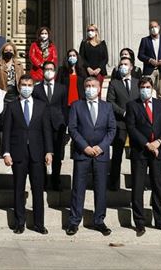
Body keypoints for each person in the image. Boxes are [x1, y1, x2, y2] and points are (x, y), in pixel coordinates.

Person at [2, 75, 53, 234]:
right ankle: (19, 222)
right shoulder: (12, 106)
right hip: (18, 153)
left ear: (33, 87)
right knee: (18, 189)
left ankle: (39, 223)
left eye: (29, 84)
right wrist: (6, 152)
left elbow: (46, 130)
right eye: (23, 84)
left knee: (38, 190)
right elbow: (7, 131)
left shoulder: (41, 106)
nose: (26, 87)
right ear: (18, 86)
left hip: (37, 153)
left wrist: (49, 151)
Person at [66, 77, 116, 236]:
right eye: (87, 86)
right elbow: (73, 129)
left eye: (93, 86)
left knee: (100, 188)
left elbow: (111, 130)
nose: (90, 88)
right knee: (78, 188)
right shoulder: (76, 106)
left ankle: (99, 220)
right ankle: (74, 221)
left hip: (101, 154)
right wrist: (85, 147)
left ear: (100, 88)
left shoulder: (107, 107)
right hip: (82, 153)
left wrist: (101, 147)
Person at [125, 77, 161, 237]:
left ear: (152, 87)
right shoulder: (132, 105)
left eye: (147, 86)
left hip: (159, 151)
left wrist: (158, 142)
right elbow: (131, 128)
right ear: (139, 89)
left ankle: (160, 220)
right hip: (140, 151)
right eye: (142, 87)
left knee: (158, 186)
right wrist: (147, 144)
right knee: (138, 187)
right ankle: (139, 222)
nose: (145, 89)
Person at [32, 61, 68, 191]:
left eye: (51, 69)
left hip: (58, 125)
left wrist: (65, 123)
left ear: (55, 71)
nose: (49, 71)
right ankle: (43, 182)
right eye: (46, 69)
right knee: (42, 154)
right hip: (41, 125)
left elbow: (64, 107)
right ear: (43, 70)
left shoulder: (61, 88)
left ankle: (55, 181)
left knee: (57, 156)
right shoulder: (36, 89)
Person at [106, 56, 140, 191]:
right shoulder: (114, 83)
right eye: (121, 64)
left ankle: (137, 183)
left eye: (126, 64)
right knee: (117, 155)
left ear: (131, 67)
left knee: (137, 155)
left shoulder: (138, 83)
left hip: (136, 124)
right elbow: (110, 102)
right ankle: (114, 183)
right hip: (120, 123)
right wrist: (123, 112)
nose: (123, 67)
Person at [137, 20, 161, 99]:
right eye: (151, 27)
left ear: (159, 27)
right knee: (147, 92)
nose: (153, 28)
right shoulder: (145, 40)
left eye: (155, 26)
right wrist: (149, 60)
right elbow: (140, 55)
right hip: (149, 70)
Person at [79, 24, 108, 90]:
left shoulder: (102, 43)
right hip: (87, 72)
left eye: (92, 30)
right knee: (88, 89)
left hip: (99, 72)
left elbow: (105, 58)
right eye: (88, 30)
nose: (90, 32)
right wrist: (88, 68)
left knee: (97, 90)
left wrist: (99, 68)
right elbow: (81, 57)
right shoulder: (84, 43)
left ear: (96, 31)